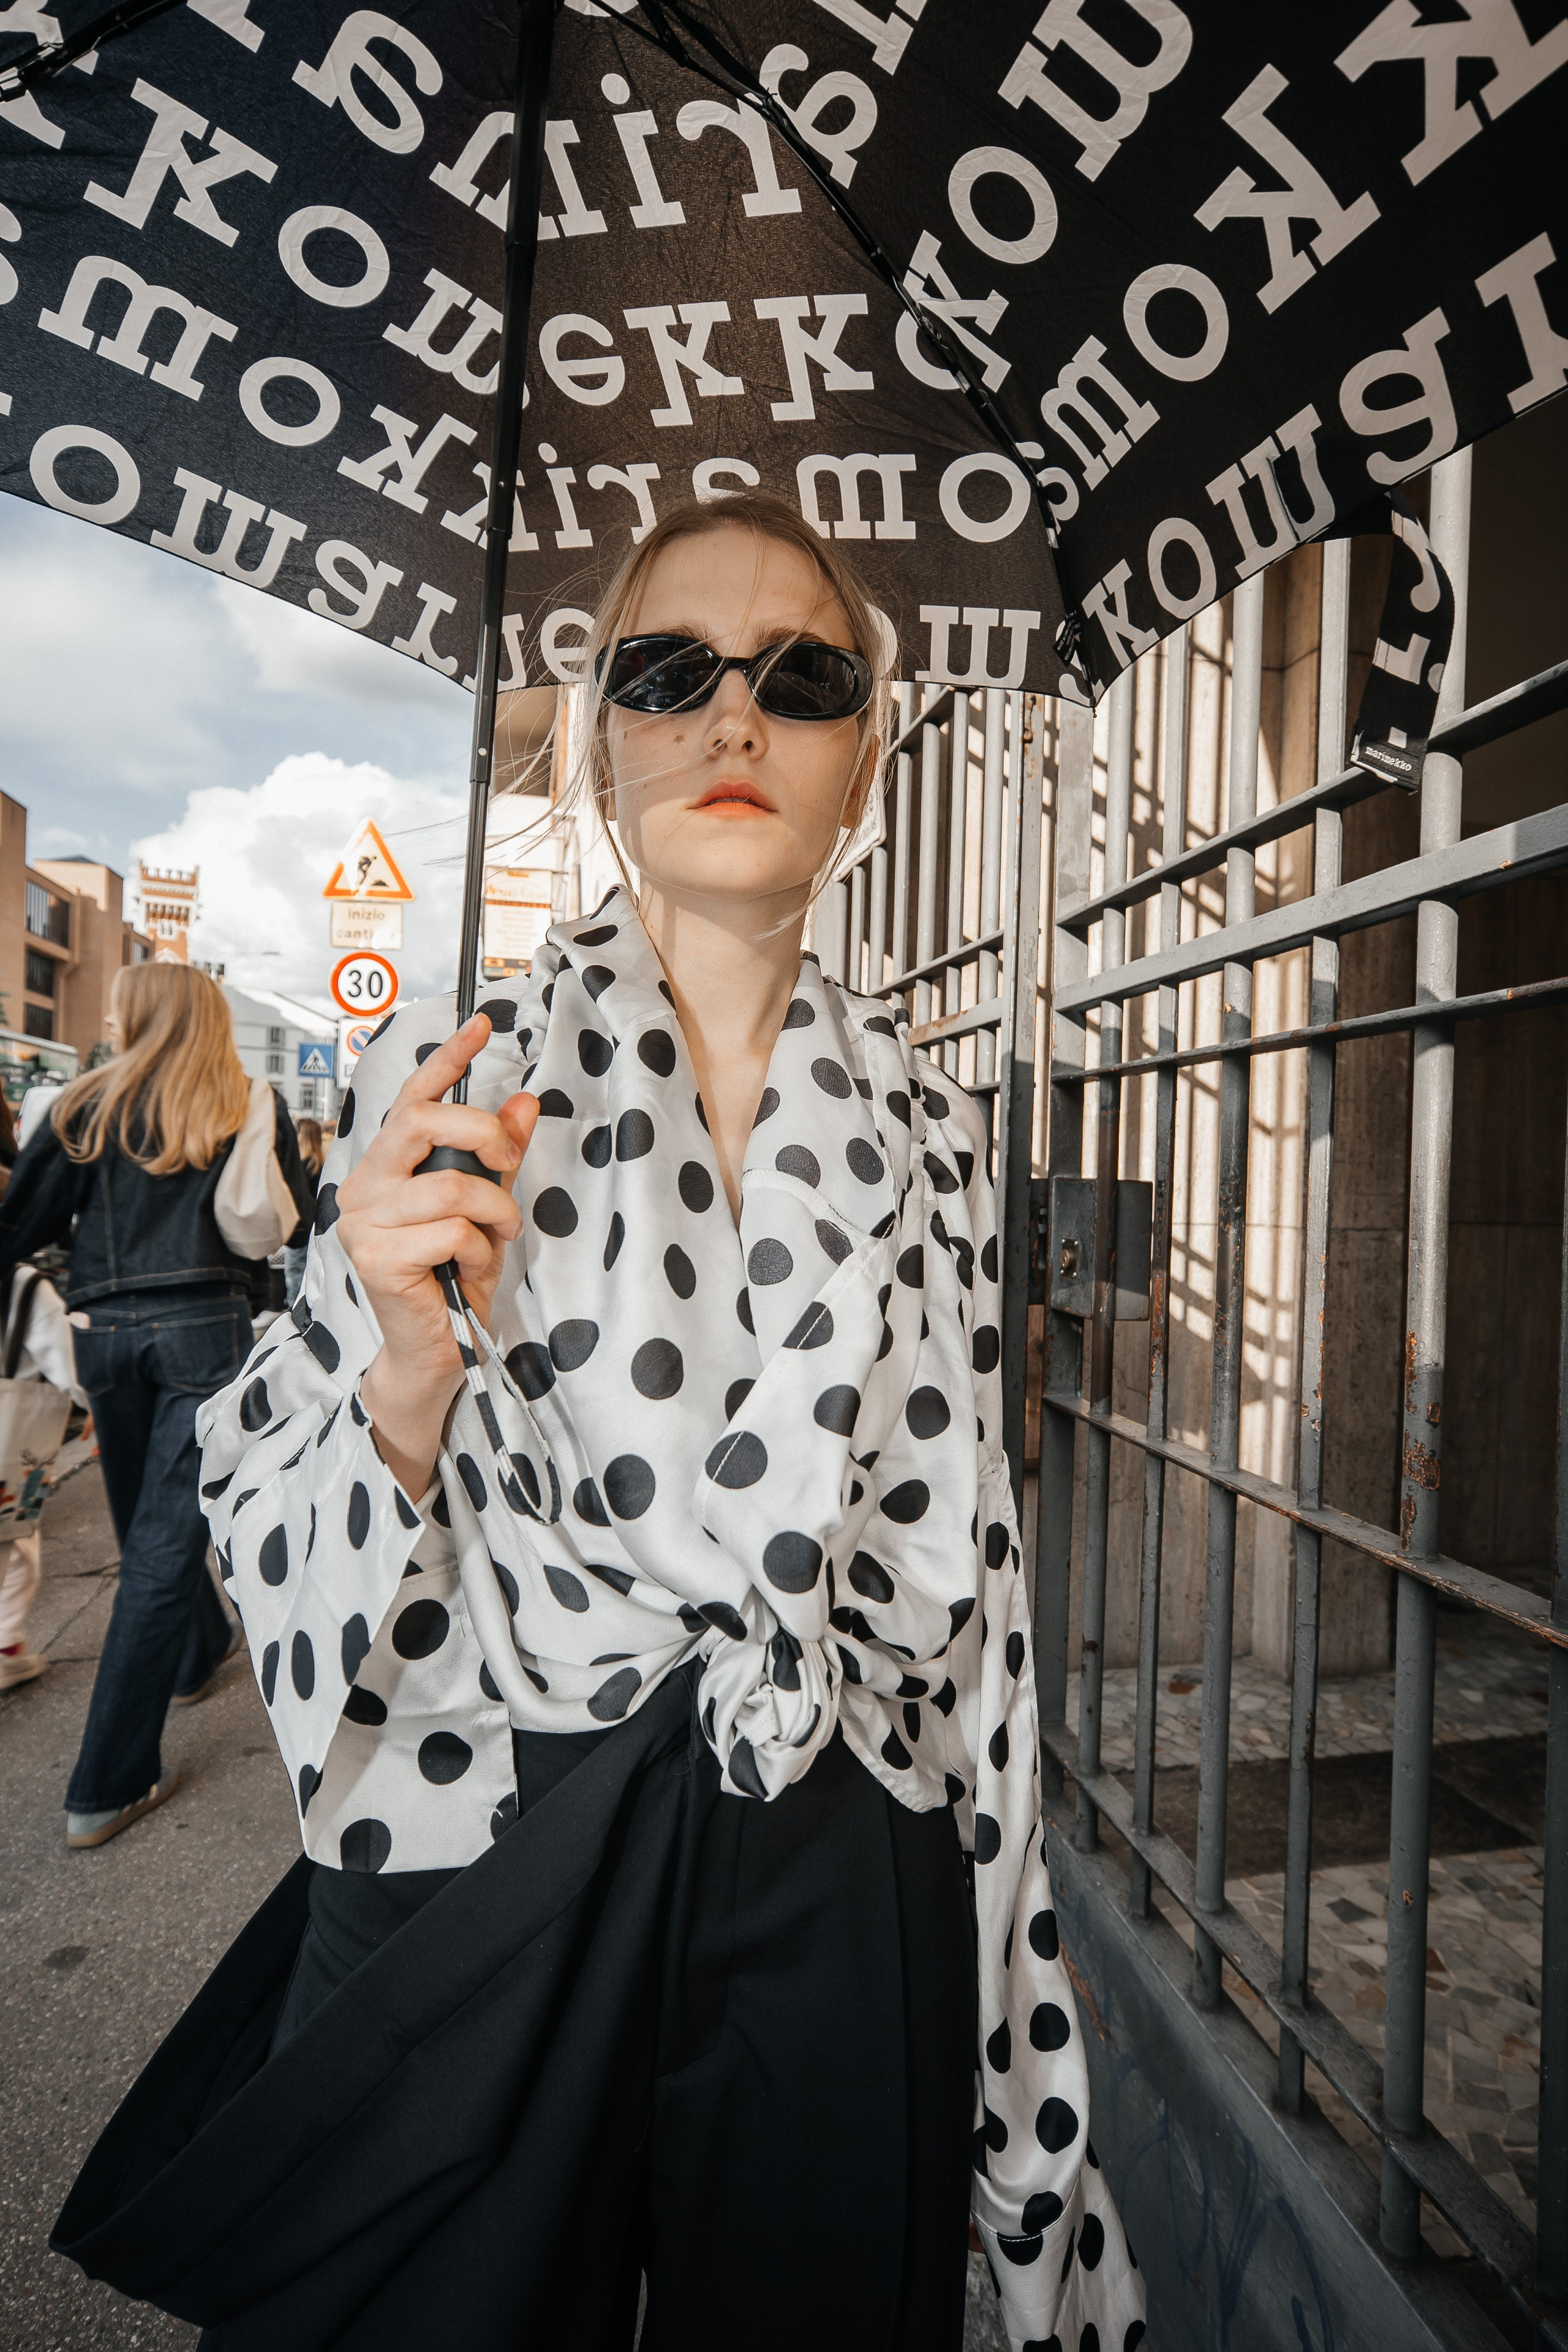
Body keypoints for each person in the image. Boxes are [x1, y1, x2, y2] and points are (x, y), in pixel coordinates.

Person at [53, 499, 1145, 2351]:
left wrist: (1015, 2013)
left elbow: (976, 1602)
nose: (735, 718)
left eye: (802, 676)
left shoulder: (943, 1135)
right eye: (668, 670)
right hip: (504, 1810)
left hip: (842, 1846)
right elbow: (261, 1519)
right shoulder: (448, 1081)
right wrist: (402, 1357)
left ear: (866, 756)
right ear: (603, 732)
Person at [0, 962, 314, 1847]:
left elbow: (18, 1229)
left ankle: (165, 1694)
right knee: (162, 1543)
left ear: (136, 1014)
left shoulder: (79, 1107)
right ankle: (111, 1777)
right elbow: (291, 1227)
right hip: (202, 1331)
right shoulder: (243, 1101)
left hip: (100, 1334)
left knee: (150, 1525)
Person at [282, 1115, 323, 1307]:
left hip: (300, 1225)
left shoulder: (301, 1167)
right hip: (316, 1226)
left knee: (294, 1270)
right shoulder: (320, 1164)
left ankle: (293, 1309)